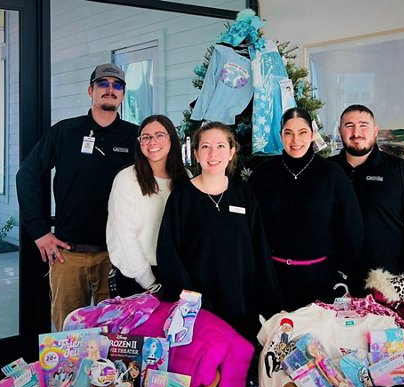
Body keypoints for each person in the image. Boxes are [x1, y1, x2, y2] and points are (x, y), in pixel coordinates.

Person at [16, 63, 137, 331]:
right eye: (103, 84)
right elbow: (27, 176)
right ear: (90, 90)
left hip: (116, 256)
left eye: (117, 85)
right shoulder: (65, 132)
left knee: (117, 337)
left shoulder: (135, 136)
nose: (110, 89)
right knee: (68, 340)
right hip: (68, 256)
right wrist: (39, 232)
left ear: (123, 94)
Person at [157, 121, 281, 341]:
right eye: (205, 147)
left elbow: (258, 246)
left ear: (232, 152)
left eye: (221, 146)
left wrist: (269, 300)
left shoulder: (244, 193)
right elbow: (168, 252)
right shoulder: (182, 196)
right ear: (196, 154)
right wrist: (191, 299)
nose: (213, 153)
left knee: (238, 367)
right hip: (197, 307)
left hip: (240, 302)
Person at [250, 107, 364, 310]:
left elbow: (352, 228)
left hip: (322, 282)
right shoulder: (262, 175)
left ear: (312, 134)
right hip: (273, 281)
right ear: (280, 135)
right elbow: (251, 229)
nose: (296, 141)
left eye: (302, 132)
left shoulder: (332, 174)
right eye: (288, 133)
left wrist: (340, 273)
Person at [333, 104, 404, 294]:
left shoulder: (401, 171)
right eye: (349, 125)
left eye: (363, 125)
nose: (357, 132)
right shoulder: (326, 171)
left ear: (375, 131)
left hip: (390, 279)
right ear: (340, 131)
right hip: (335, 279)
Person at [106, 115, 188, 297]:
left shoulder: (185, 178)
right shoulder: (127, 179)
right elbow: (123, 236)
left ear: (171, 138)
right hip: (137, 278)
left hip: (177, 275)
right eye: (146, 137)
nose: (152, 142)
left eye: (159, 135)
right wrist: (149, 281)